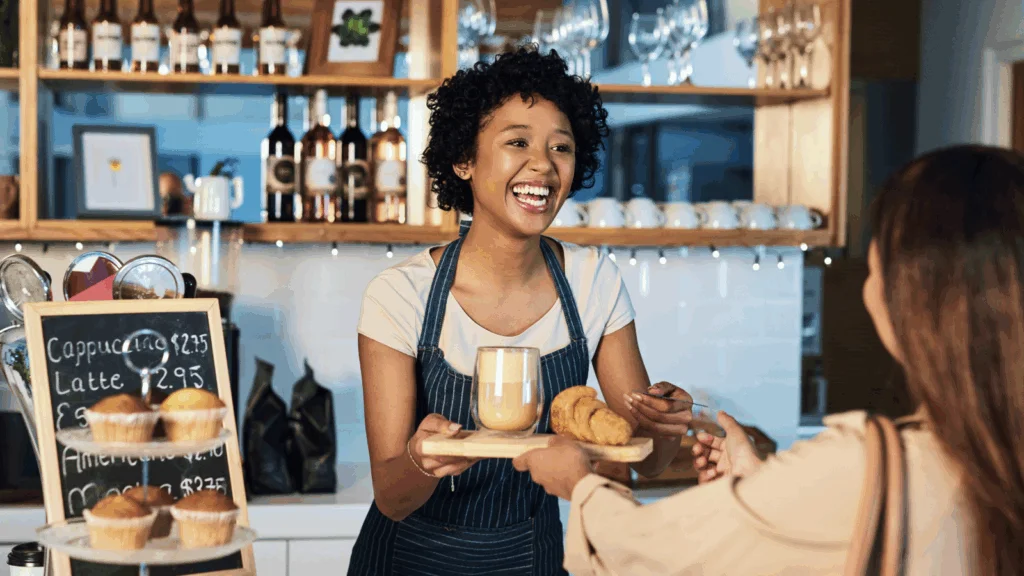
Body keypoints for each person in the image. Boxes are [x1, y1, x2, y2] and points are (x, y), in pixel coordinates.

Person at [513, 145, 1024, 575]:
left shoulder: (871, 465)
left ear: (911, 298)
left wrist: (579, 483)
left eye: (876, 268)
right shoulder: (989, 459)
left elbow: (652, 550)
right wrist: (762, 486)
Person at [349, 47, 694, 575]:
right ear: (463, 160)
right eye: (517, 142)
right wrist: (423, 460)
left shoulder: (592, 281)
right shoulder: (401, 295)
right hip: (407, 560)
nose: (543, 165)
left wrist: (665, 426)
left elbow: (640, 461)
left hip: (532, 558)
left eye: (562, 147)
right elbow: (393, 497)